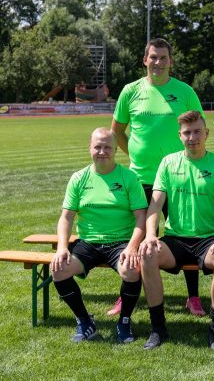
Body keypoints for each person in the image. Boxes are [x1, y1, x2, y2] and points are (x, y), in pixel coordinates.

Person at [111, 38, 205, 317]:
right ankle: (126, 295)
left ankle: (193, 297)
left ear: (170, 61)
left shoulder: (185, 91)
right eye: (153, 57)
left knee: (186, 232)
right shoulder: (131, 91)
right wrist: (135, 154)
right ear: (145, 60)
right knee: (135, 237)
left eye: (163, 57)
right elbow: (117, 131)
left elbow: (197, 127)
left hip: (178, 176)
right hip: (140, 177)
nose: (158, 62)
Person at [138, 111, 214, 350]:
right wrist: (150, 236)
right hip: (176, 240)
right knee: (147, 254)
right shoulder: (168, 163)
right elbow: (154, 206)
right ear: (180, 136)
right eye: (187, 133)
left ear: (207, 133)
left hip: (208, 239)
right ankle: (158, 328)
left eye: (197, 132)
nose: (192, 137)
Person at [51, 128, 147, 343]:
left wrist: (132, 247)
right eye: (97, 147)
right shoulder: (79, 178)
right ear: (89, 148)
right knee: (58, 269)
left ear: (115, 150)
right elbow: (66, 218)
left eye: (107, 147)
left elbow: (141, 217)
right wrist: (62, 248)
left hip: (120, 243)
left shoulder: (129, 177)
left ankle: (124, 321)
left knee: (132, 269)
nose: (102, 151)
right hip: (88, 243)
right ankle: (85, 322)